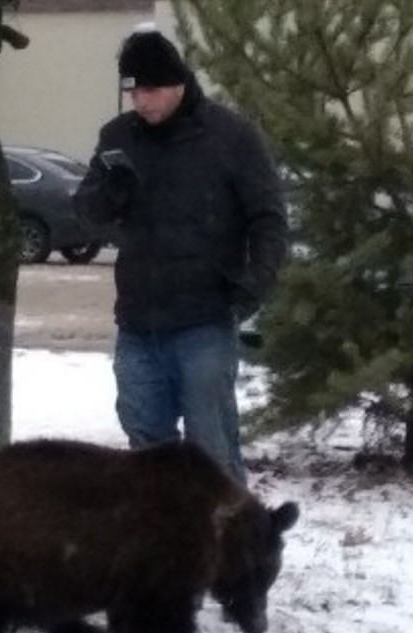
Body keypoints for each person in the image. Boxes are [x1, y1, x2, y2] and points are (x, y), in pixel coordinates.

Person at [74, 25, 288, 483]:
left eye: (150, 90)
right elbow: (86, 213)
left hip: (205, 323)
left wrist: (254, 284)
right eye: (132, 92)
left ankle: (228, 547)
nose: (141, 102)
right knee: (148, 453)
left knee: (213, 449)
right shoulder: (117, 138)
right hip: (137, 325)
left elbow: (269, 218)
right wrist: (110, 193)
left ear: (178, 83)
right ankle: (166, 551)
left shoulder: (231, 137)